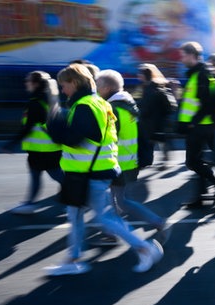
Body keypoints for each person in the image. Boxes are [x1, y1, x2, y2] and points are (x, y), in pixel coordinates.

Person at [45, 63, 162, 276]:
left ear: (74, 82)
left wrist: (53, 114)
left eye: (64, 85)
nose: (63, 90)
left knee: (104, 218)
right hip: (95, 170)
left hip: (89, 173)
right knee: (77, 214)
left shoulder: (84, 105)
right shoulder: (98, 102)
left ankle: (144, 248)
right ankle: (74, 258)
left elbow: (73, 138)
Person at [95, 69, 172, 245]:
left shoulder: (112, 109)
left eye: (98, 85)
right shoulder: (128, 105)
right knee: (119, 200)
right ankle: (114, 232)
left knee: (116, 200)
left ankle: (152, 224)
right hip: (128, 161)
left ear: (107, 88)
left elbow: (106, 137)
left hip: (116, 162)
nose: (96, 89)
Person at [178, 41, 215, 208]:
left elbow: (206, 103)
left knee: (193, 162)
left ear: (193, 56)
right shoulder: (195, 74)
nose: (181, 59)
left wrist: (193, 123)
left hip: (201, 126)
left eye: (184, 56)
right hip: (198, 126)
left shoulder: (201, 74)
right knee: (196, 160)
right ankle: (202, 196)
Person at [1, 71, 64, 214]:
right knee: (47, 175)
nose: (26, 84)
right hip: (49, 148)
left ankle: (30, 203)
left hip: (42, 150)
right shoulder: (50, 100)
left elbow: (28, 127)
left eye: (27, 81)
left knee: (50, 175)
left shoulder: (35, 102)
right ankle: (30, 202)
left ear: (35, 84)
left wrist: (10, 144)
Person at [137, 63, 177, 170]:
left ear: (145, 75)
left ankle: (162, 161)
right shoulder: (150, 86)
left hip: (157, 121)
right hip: (156, 121)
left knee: (159, 141)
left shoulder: (151, 88)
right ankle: (159, 161)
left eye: (140, 73)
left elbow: (147, 104)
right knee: (159, 141)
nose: (138, 76)